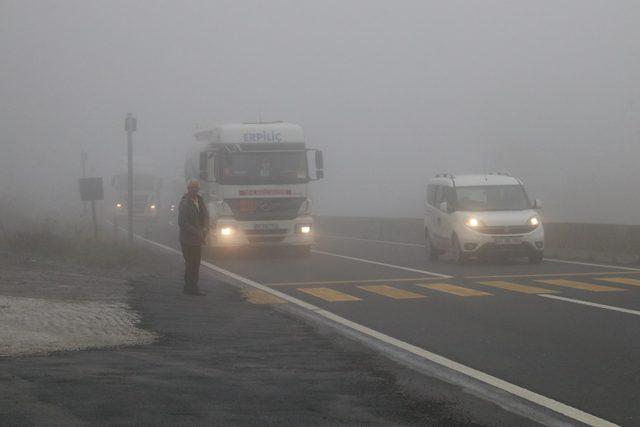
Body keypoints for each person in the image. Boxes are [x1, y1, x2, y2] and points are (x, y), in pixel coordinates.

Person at [178, 179, 210, 295]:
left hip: (197, 240)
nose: (194, 189)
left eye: (196, 187)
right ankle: (188, 287)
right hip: (187, 240)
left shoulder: (200, 200)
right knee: (190, 263)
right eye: (192, 187)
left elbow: (206, 216)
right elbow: (182, 222)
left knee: (196, 264)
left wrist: (206, 227)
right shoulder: (185, 203)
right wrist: (196, 231)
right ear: (188, 189)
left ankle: (194, 287)